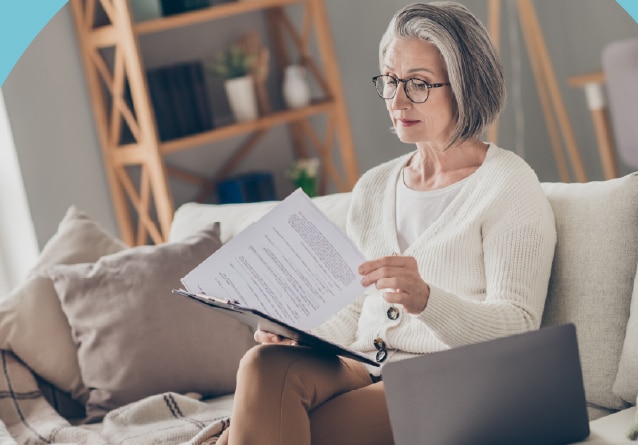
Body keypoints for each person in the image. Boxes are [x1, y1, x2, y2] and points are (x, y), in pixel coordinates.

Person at [217, 2, 556, 444]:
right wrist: (296, 335)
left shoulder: (508, 186)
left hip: (454, 381)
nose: (396, 101)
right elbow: (357, 313)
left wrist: (427, 300)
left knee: (274, 424)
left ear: (466, 85)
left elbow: (518, 326)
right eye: (391, 81)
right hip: (365, 365)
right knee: (262, 366)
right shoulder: (375, 187)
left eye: (417, 84)